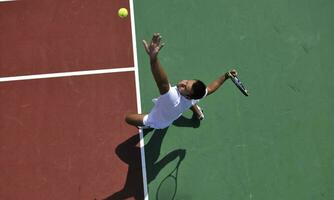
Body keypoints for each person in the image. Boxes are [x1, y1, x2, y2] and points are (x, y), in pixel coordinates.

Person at [125, 33, 238, 129]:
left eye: (185, 87)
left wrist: (153, 59)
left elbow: (162, 82)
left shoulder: (173, 98)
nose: (182, 83)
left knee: (128, 119)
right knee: (191, 101)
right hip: (177, 111)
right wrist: (226, 76)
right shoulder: (197, 94)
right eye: (187, 81)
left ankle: (148, 126)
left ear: (188, 96)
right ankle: (197, 110)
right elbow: (211, 88)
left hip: (158, 121)